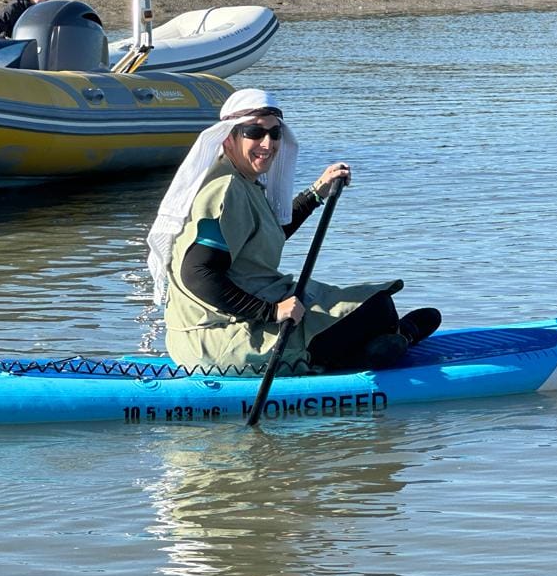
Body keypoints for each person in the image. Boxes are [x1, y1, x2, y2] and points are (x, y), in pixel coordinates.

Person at [147, 88, 441, 374]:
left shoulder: (240, 179)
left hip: (235, 315)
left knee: (375, 303)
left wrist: (316, 193)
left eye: (275, 133)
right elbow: (198, 274)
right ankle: (390, 341)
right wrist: (271, 312)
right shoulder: (225, 189)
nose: (268, 143)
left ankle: (384, 341)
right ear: (228, 138)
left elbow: (265, 234)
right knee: (377, 310)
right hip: (217, 338)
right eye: (254, 132)